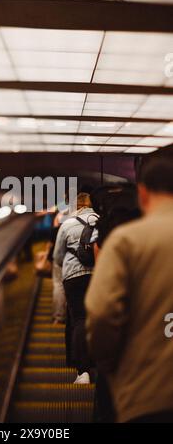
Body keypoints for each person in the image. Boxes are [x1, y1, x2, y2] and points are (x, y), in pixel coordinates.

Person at [85, 153, 173, 423]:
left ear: (143, 194)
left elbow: (102, 314)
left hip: (147, 396)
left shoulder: (127, 241)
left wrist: (107, 363)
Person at [53, 192, 98, 384]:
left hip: (73, 276)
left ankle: (83, 372)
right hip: (97, 275)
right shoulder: (101, 221)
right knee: (97, 318)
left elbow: (57, 256)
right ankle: (102, 367)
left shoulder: (67, 224)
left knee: (79, 319)